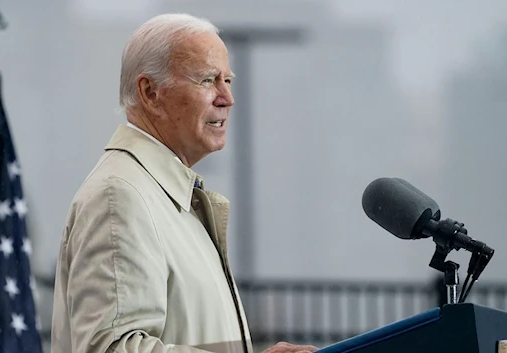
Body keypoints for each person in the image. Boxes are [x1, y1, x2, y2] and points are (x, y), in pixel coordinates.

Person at [50, 13, 319, 353]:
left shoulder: (155, 194)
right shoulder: (120, 197)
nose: (227, 97)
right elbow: (111, 348)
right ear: (150, 92)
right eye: (208, 80)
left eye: (228, 81)